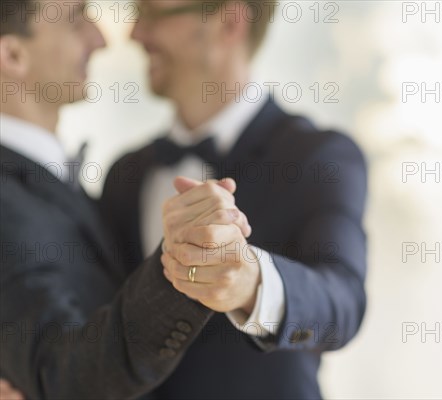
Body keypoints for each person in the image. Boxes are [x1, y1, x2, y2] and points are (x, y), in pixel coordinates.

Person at [98, 0, 370, 398]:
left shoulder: (319, 157)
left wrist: (250, 283)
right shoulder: (124, 175)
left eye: (154, 14)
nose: (135, 34)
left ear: (229, 23)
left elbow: (342, 303)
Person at [0, 0, 252, 398]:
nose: (100, 39)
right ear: (13, 55)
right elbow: (64, 377)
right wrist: (184, 261)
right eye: (76, 18)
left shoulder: (74, 182)